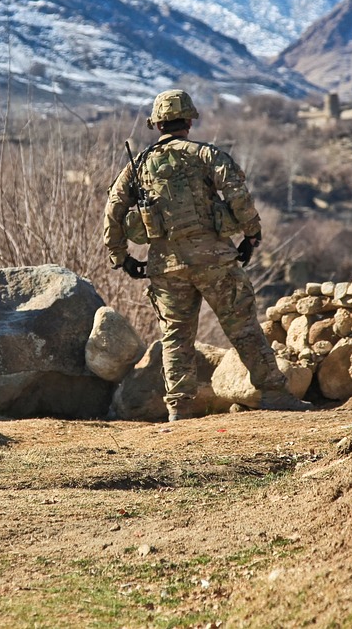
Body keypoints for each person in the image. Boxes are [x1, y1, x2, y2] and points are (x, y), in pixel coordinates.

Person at [102, 89, 313, 421]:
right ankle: (275, 393)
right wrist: (251, 233)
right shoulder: (206, 155)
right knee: (243, 328)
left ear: (157, 124)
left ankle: (179, 408)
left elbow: (114, 209)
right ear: (188, 120)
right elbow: (236, 191)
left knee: (175, 337)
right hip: (216, 261)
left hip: (166, 267)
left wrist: (121, 257)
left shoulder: (139, 164)